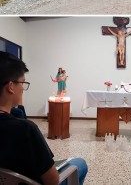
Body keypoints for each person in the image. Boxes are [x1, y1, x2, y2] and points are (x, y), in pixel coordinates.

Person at [0, 52, 88, 185]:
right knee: (80, 163)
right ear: (11, 87)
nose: (23, 88)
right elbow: (52, 181)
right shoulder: (25, 129)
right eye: (23, 83)